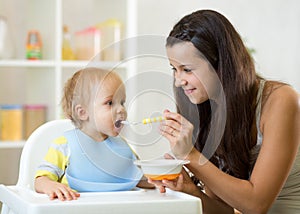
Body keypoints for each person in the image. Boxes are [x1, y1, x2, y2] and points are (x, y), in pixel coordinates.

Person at [149, 9, 300, 214]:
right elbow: (224, 211)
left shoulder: (279, 100)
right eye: (174, 69)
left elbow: (256, 205)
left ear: (219, 63)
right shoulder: (208, 111)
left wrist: (191, 156)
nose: (178, 80)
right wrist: (192, 191)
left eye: (187, 69)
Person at [35, 67, 153, 201]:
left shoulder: (123, 146)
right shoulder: (65, 145)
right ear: (82, 112)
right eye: (110, 103)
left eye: (122, 102)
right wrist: (50, 186)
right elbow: (41, 180)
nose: (121, 109)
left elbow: (139, 179)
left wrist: (160, 179)